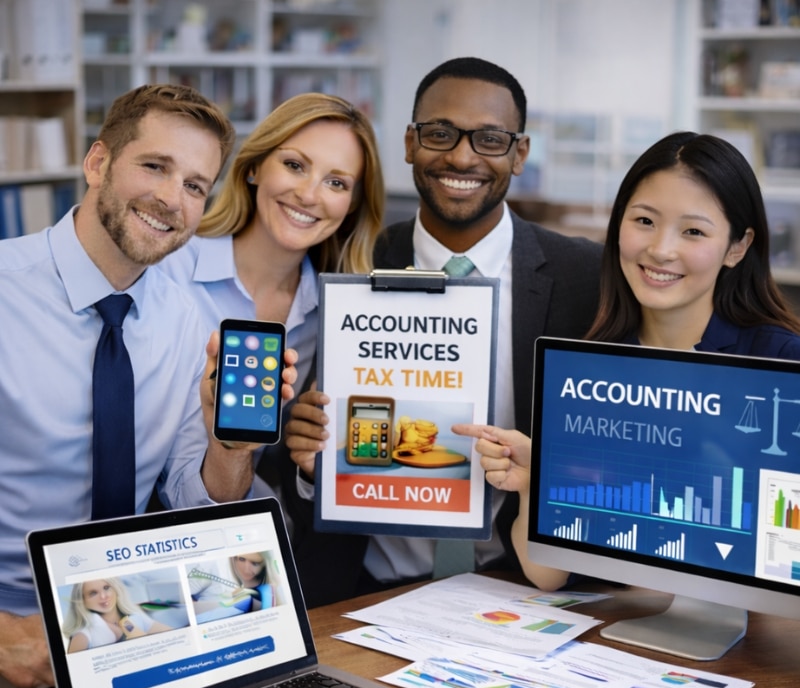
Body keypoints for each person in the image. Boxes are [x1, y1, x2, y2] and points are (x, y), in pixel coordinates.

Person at [0, 84, 297, 688]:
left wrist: (228, 447)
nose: (170, 199)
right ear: (98, 163)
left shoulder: (185, 321)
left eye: (194, 185)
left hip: (127, 640)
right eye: (155, 167)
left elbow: (191, 500)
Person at [284, 57, 603, 603]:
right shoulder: (345, 259)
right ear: (409, 143)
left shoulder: (587, 278)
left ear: (519, 153)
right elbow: (290, 444)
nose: (461, 155)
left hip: (521, 589)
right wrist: (310, 461)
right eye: (439, 133)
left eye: (490, 139)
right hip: (361, 590)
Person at [455, 130, 800, 590]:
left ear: (737, 247)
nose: (660, 249)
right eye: (644, 221)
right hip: (623, 634)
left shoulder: (781, 364)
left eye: (693, 231)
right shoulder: (589, 366)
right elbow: (549, 575)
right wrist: (536, 482)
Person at [158, 92, 384, 604]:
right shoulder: (170, 269)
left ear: (351, 205)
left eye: (336, 182)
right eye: (294, 165)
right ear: (255, 167)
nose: (309, 193)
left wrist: (313, 451)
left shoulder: (339, 315)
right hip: (156, 546)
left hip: (258, 566)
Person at [62, 578, 172, 653]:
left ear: (116, 589)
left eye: (106, 588)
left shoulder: (136, 617)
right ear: (83, 601)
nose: (103, 596)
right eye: (93, 593)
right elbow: (74, 673)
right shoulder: (83, 635)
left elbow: (172, 636)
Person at [187, 551, 286, 619]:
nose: (246, 569)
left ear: (265, 565)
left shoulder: (272, 588)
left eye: (255, 563)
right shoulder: (211, 567)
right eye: (241, 559)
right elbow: (181, 600)